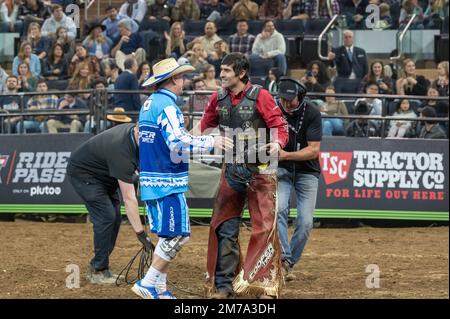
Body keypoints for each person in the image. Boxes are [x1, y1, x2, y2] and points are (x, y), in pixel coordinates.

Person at [131, 57, 232, 299]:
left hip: (152, 179)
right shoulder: (167, 105)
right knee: (178, 235)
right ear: (174, 79)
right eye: (182, 77)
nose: (184, 81)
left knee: (167, 234)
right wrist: (212, 141)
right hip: (167, 180)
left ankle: (158, 288)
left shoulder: (149, 104)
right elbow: (177, 142)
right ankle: (149, 282)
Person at [194, 52, 289, 299]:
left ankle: (265, 285)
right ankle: (224, 284)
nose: (221, 74)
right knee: (224, 226)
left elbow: (279, 125)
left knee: (263, 227)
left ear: (241, 73)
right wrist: (208, 137)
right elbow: (204, 125)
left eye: (226, 70)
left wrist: (278, 144)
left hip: (261, 171)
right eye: (221, 70)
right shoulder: (218, 97)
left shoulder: (262, 95)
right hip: (232, 169)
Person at [67, 122, 151, 284]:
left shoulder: (134, 137)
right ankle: (98, 270)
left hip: (105, 174)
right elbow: (129, 198)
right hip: (85, 174)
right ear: (137, 133)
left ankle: (101, 265)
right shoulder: (121, 151)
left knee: (115, 217)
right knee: (106, 216)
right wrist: (141, 234)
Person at [275, 76, 321, 282]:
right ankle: (284, 258)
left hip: (306, 171)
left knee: (305, 223)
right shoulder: (275, 109)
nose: (285, 103)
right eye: (282, 99)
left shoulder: (311, 112)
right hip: (281, 170)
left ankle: (288, 263)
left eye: (290, 100)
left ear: (300, 97)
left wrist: (285, 155)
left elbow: (313, 151)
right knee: (279, 210)